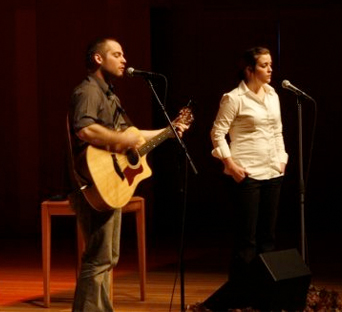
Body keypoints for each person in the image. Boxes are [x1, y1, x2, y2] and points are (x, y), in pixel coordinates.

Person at [67, 37, 189, 312]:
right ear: (98, 59)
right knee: (98, 258)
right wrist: (120, 141)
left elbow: (132, 137)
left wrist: (169, 131)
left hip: (110, 181)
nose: (124, 60)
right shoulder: (87, 92)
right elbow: (84, 130)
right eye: (117, 54)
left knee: (107, 257)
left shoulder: (111, 96)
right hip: (91, 181)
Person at [210, 46, 288, 287]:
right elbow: (217, 133)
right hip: (246, 173)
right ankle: (242, 290)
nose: (270, 69)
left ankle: (266, 290)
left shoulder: (273, 95)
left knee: (268, 237)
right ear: (249, 70)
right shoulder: (234, 98)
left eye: (270, 64)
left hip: (272, 170)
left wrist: (282, 159)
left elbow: (277, 130)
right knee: (247, 240)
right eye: (264, 65)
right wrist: (230, 165)